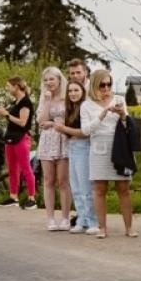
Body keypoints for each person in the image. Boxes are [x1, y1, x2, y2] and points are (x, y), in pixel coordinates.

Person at [82, 69, 136, 238]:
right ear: (94, 85)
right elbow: (85, 130)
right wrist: (102, 115)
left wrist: (122, 115)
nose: (106, 88)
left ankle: (129, 227)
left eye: (109, 84)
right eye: (102, 85)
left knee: (123, 188)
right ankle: (102, 228)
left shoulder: (119, 100)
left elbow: (128, 125)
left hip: (119, 147)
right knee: (99, 189)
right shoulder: (86, 105)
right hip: (98, 149)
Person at [54, 79, 96, 234]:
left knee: (86, 188)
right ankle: (81, 219)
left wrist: (64, 128)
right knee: (76, 187)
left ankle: (93, 221)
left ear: (83, 92)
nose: (72, 93)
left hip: (83, 147)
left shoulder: (85, 107)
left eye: (76, 90)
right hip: (71, 147)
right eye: (70, 91)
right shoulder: (70, 109)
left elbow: (85, 132)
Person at [34, 66, 71, 231]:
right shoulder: (44, 98)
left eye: (52, 79)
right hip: (47, 141)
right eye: (46, 80)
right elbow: (41, 121)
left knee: (63, 181)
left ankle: (65, 217)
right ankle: (50, 218)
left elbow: (69, 120)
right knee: (48, 180)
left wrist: (53, 123)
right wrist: (48, 101)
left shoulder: (67, 97)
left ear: (59, 80)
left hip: (64, 140)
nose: (49, 82)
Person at [0, 75, 36, 208]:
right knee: (12, 168)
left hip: (21, 137)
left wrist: (6, 114)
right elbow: (12, 119)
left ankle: (32, 198)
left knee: (25, 168)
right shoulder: (15, 102)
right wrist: (3, 113)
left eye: (8, 86)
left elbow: (23, 122)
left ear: (16, 86)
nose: (7, 89)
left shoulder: (25, 102)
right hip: (10, 137)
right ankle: (13, 197)